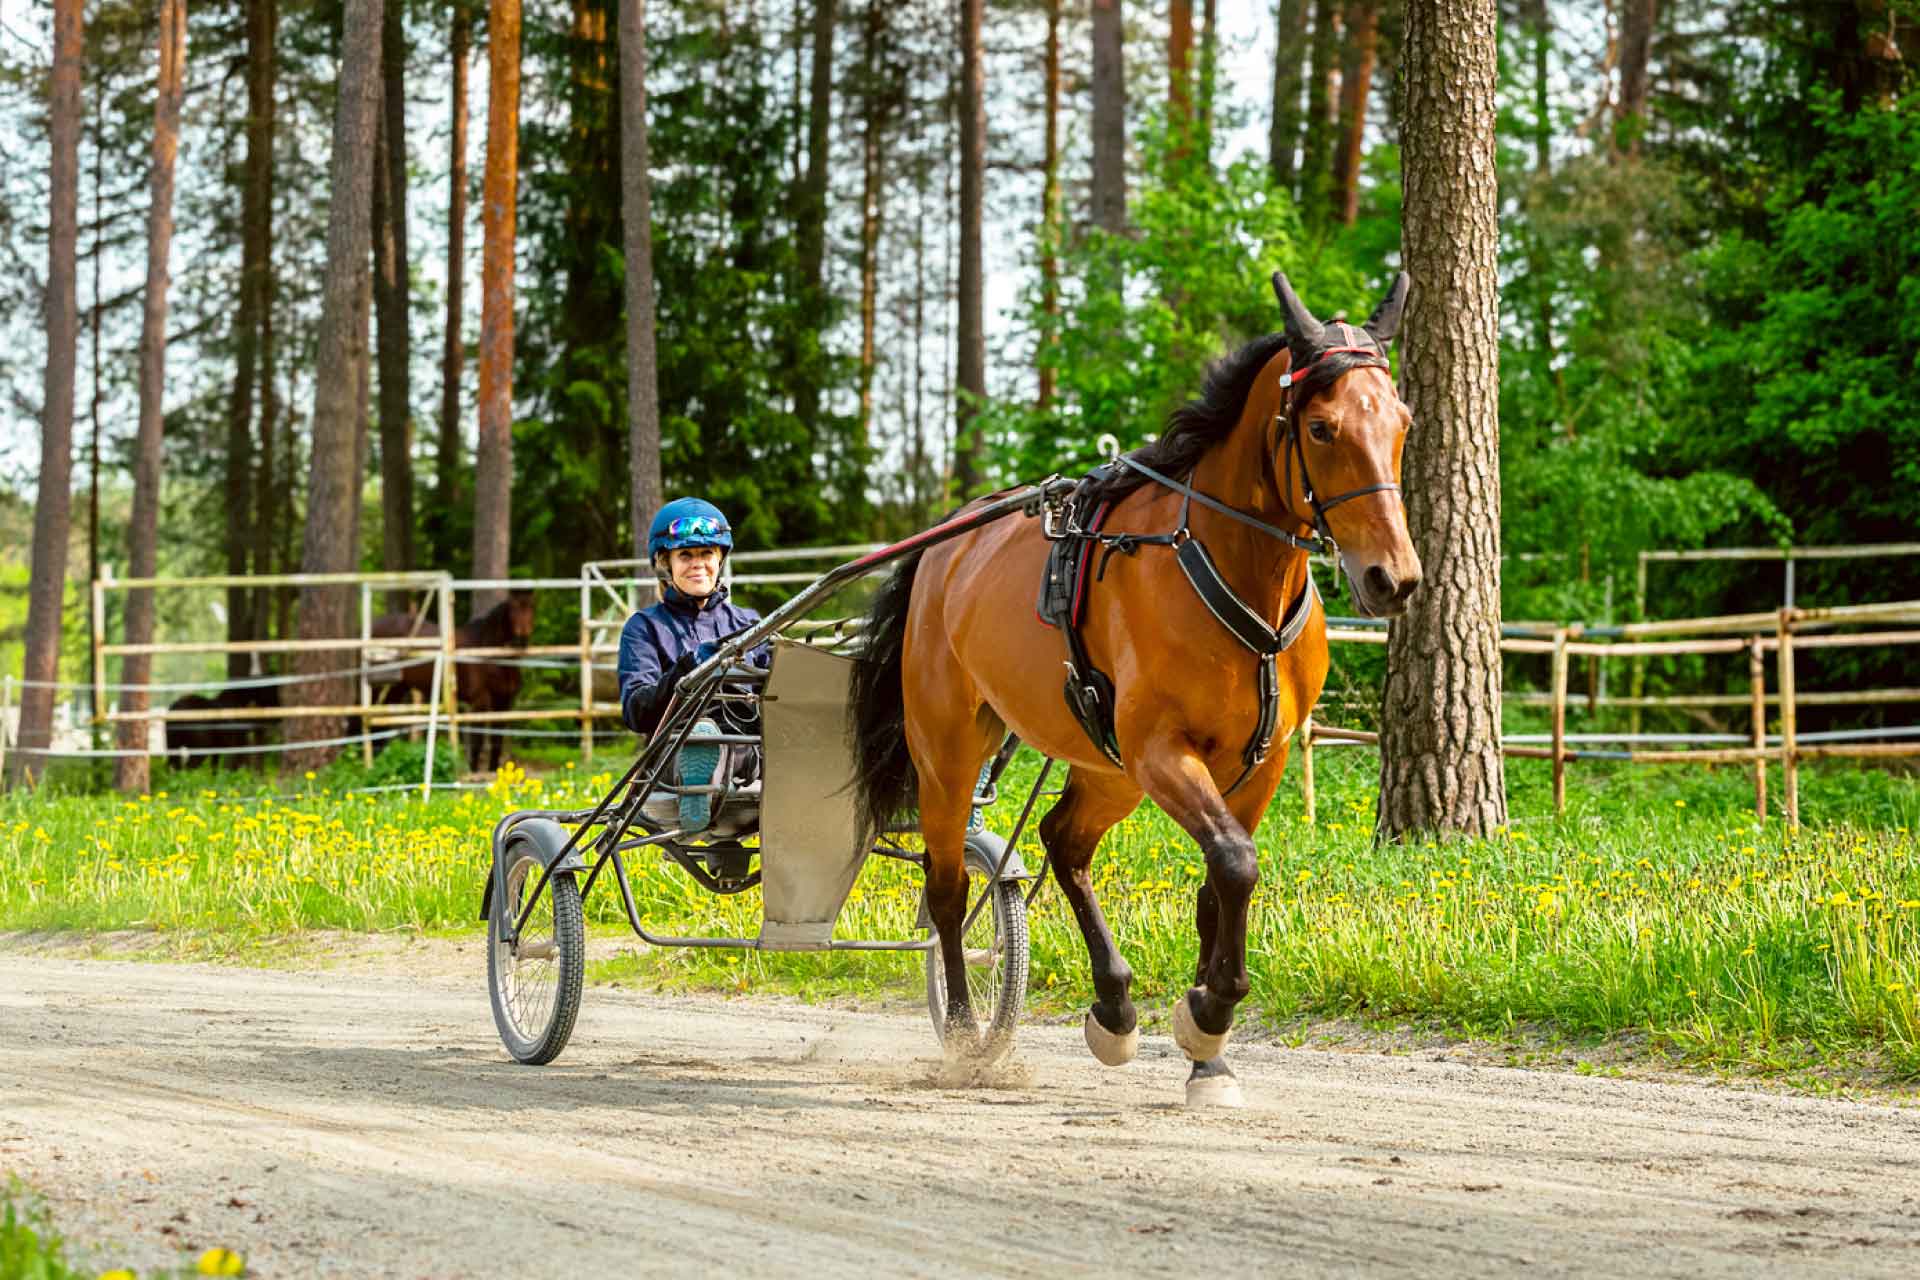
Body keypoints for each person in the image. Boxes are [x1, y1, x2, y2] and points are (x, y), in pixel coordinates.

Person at [618, 498, 770, 831]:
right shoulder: (644, 628)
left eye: (707, 554)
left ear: (720, 559)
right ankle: (699, 787)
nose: (697, 564)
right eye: (685, 555)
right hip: (675, 754)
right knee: (701, 737)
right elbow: (636, 711)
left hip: (749, 752)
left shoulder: (751, 624)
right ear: (664, 563)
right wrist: (686, 669)